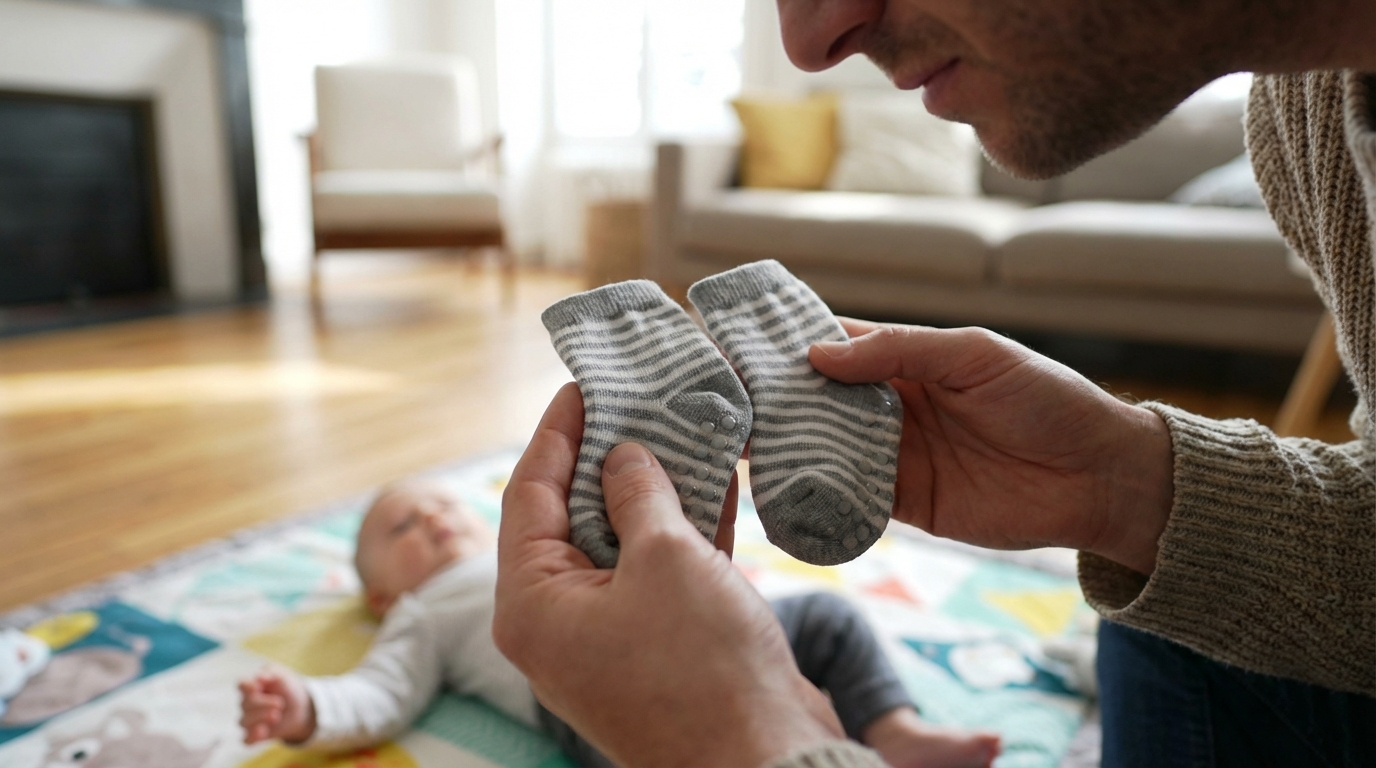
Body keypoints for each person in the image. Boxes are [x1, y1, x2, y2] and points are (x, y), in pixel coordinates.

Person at [494, 1, 1376, 767]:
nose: (808, 40)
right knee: (1178, 607)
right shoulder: (1310, 107)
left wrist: (744, 741)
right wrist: (1126, 485)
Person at [237, 480, 1000, 768]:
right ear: (378, 598)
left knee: (829, 616)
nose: (433, 517)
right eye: (402, 526)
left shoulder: (533, 539)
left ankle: (894, 730)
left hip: (705, 629)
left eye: (442, 504)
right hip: (584, 696)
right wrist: (304, 709)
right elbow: (379, 695)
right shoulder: (421, 612)